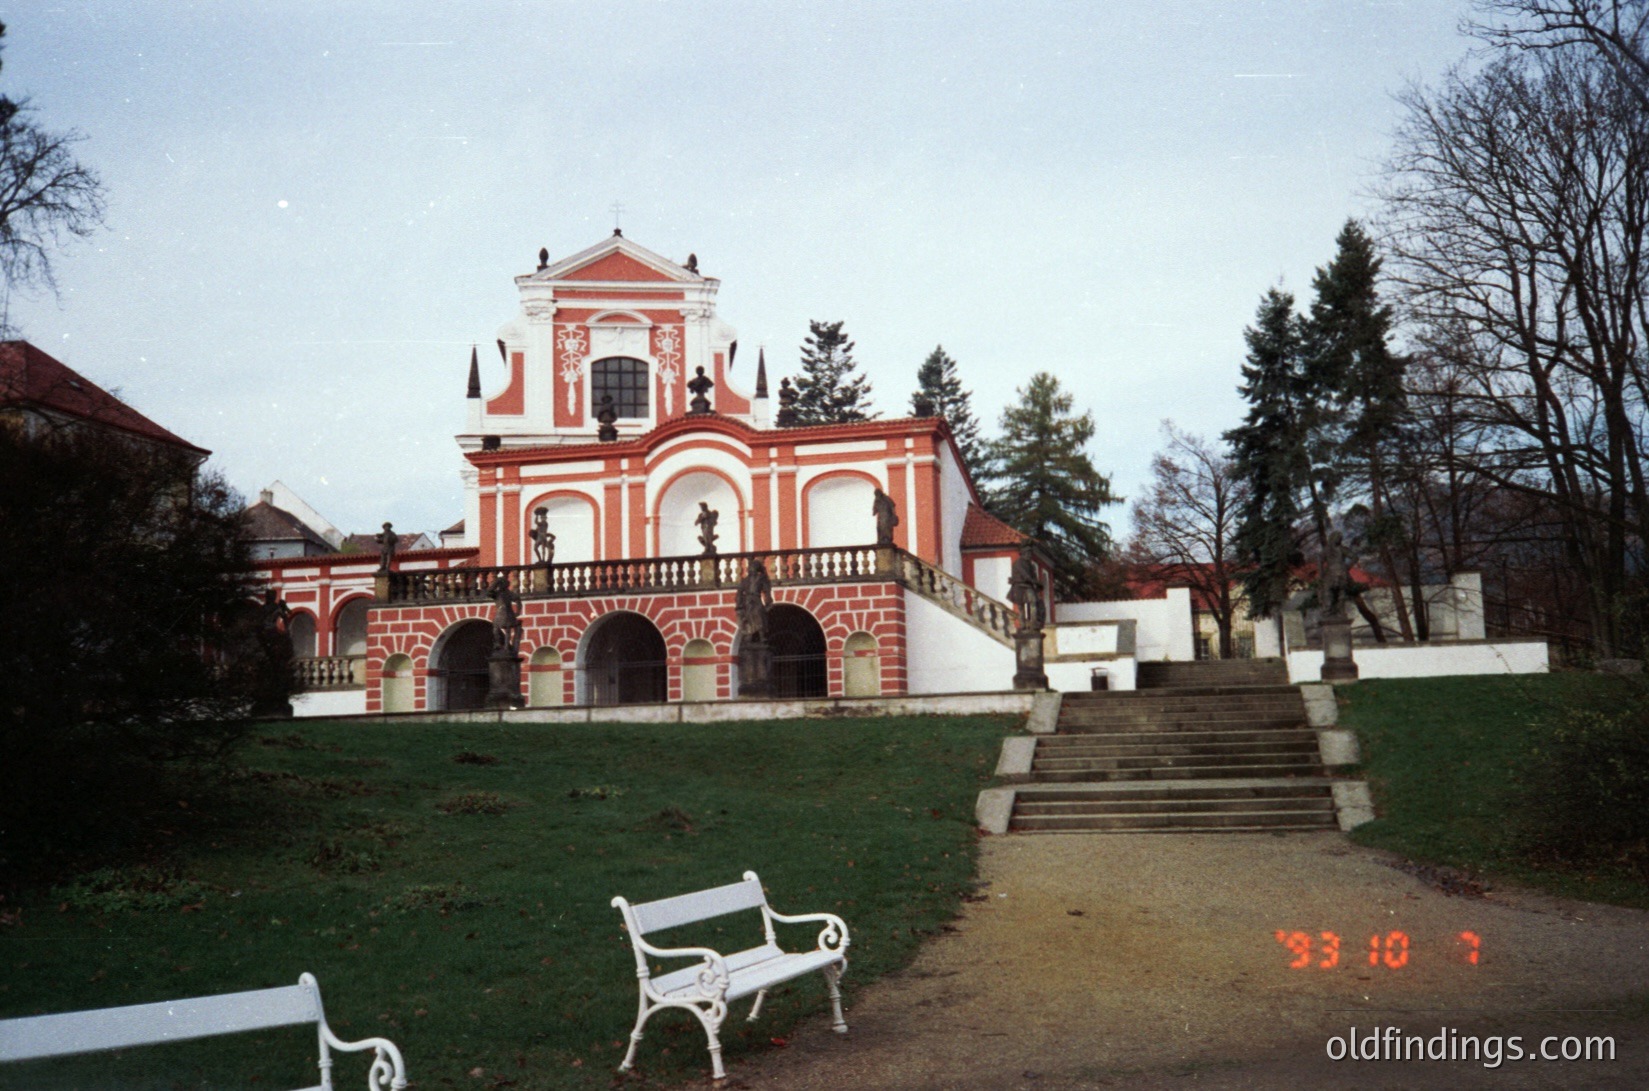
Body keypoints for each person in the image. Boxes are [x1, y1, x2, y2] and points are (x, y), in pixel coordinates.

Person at [1008, 546, 1046, 632]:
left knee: (1034, 602)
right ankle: (1022, 625)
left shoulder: (1030, 565)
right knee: (1021, 607)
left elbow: (1033, 575)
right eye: (1028, 553)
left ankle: (1034, 623)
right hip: (1019, 587)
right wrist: (1034, 581)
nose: (1030, 555)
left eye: (1030, 553)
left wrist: (1037, 583)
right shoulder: (1018, 563)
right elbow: (1025, 575)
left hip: (1028, 586)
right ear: (1024, 554)